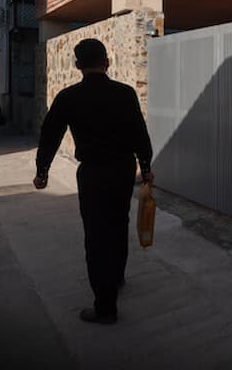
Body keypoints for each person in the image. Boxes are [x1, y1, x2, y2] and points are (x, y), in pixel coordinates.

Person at [33, 38, 153, 324]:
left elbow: (50, 134)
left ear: (77, 65)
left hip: (93, 173)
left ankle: (105, 307)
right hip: (123, 169)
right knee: (118, 224)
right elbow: (139, 132)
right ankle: (117, 278)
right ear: (107, 62)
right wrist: (146, 166)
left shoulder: (69, 97)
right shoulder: (125, 93)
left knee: (97, 235)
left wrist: (42, 171)